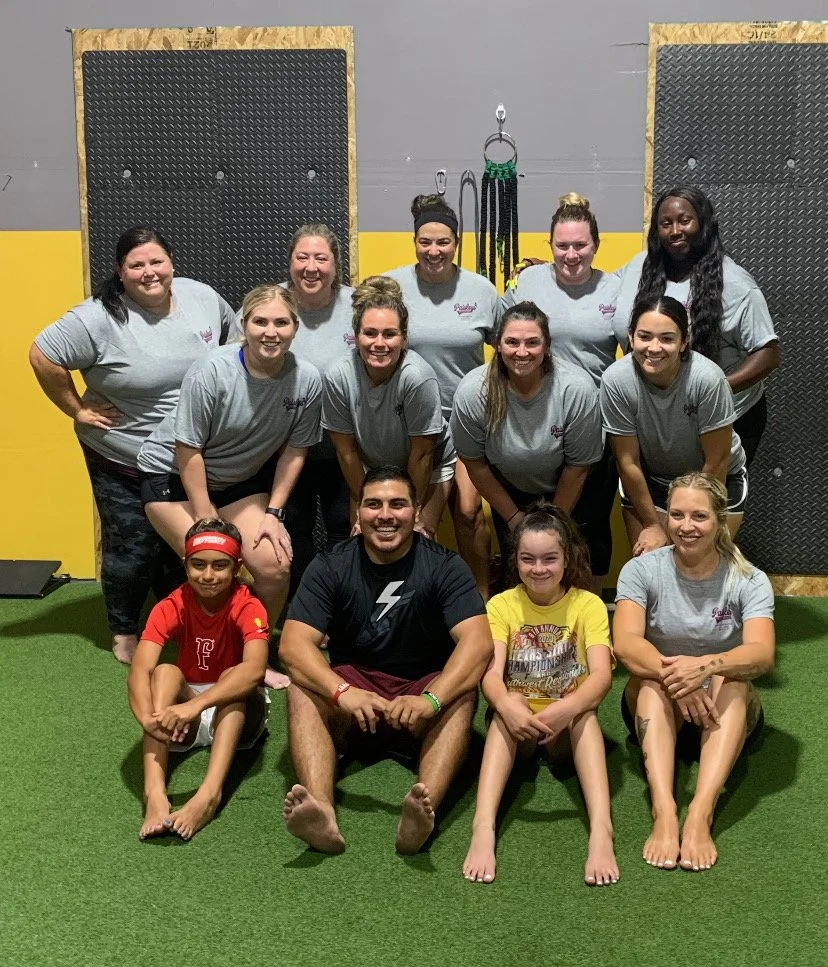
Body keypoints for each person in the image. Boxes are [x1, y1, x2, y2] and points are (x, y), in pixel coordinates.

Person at [30, 226, 235, 664]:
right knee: (133, 548)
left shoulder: (201, 297)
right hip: (121, 456)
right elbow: (42, 355)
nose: (149, 272)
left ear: (172, 263)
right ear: (120, 272)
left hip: (186, 456)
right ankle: (124, 631)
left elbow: (232, 342)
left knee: (180, 545)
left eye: (156, 261)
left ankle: (178, 619)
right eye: (136, 265)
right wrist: (77, 409)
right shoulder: (96, 318)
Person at [279, 466, 493, 855]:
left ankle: (422, 811)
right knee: (301, 689)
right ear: (358, 512)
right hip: (354, 697)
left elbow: (477, 645)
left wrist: (431, 700)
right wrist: (341, 692)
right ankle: (322, 809)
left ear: (416, 511)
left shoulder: (445, 566)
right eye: (373, 504)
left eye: (397, 504)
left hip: (420, 694)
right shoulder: (331, 565)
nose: (385, 515)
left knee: (461, 695)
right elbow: (293, 646)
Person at [137, 284, 322, 688]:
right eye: (260, 322)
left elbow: (295, 450)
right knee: (213, 559)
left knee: (274, 564)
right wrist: (207, 518)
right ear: (244, 325)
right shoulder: (212, 370)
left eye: (281, 322)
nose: (270, 332)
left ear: (295, 327)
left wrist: (273, 513)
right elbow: (188, 449)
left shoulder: (306, 380)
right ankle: (210, 655)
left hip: (237, 481)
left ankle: (251, 656)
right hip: (173, 477)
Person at [613, 472, 775, 871]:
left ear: (720, 520)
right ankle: (664, 810)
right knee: (648, 681)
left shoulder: (749, 579)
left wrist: (703, 667)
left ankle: (701, 812)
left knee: (732, 679)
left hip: (722, 711)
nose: (686, 526)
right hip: (660, 705)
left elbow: (761, 654)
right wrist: (678, 680)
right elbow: (626, 644)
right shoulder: (641, 570)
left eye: (699, 516)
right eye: (677, 515)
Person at [462, 503, 617, 887]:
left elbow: (601, 675)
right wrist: (505, 705)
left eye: (550, 559)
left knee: (585, 711)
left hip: (566, 727)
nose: (539, 569)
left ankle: (601, 829)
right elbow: (491, 674)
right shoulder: (501, 605)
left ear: (567, 559)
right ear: (515, 560)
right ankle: (483, 826)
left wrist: (567, 708)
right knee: (508, 705)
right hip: (520, 727)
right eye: (528, 559)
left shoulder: (588, 605)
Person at [502, 192, 626, 589]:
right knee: (531, 534)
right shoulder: (528, 282)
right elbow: (502, 336)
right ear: (550, 245)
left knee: (587, 530)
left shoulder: (616, 289)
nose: (571, 255)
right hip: (532, 425)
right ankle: (527, 611)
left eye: (580, 245)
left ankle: (588, 611)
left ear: (596, 245)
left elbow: (637, 354)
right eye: (562, 246)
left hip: (594, 429)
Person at [386, 194, 502, 597]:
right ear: (414, 242)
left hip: (466, 419)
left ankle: (480, 598)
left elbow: (511, 351)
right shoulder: (393, 287)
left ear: (456, 243)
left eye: (443, 242)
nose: (433, 250)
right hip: (410, 422)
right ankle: (413, 601)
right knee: (413, 516)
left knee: (468, 512)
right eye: (425, 242)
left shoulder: (481, 290)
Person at [615, 186, 779, 466]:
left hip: (724, 420)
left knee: (705, 494)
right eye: (665, 223)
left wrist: (713, 391)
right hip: (661, 419)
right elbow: (598, 285)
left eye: (685, 221)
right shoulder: (639, 267)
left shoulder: (736, 284)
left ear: (703, 224)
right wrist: (549, 270)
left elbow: (769, 354)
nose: (675, 231)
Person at [128, 518, 269, 841]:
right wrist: (147, 719)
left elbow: (254, 670)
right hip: (184, 715)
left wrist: (197, 706)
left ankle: (208, 795)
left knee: (234, 676)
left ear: (237, 567)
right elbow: (140, 669)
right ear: (185, 564)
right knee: (165, 672)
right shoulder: (170, 605)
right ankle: (154, 794)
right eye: (198, 565)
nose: (208, 576)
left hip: (235, 713)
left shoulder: (248, 605)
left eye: (220, 566)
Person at [450, 301, 603, 588]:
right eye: (512, 342)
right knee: (520, 572)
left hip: (573, 484)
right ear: (497, 344)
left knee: (572, 569)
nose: (522, 352)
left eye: (532, 342)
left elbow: (578, 468)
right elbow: (475, 464)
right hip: (509, 487)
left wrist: (553, 524)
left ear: (548, 346)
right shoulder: (473, 392)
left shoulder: (576, 388)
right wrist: (514, 519)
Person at [601, 295, 748, 556]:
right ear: (631, 337)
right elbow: (627, 461)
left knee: (696, 562)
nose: (654, 348)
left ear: (683, 342)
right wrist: (652, 525)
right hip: (652, 481)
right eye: (644, 337)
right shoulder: (616, 381)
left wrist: (682, 526)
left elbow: (717, 461)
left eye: (667, 338)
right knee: (649, 562)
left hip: (712, 478)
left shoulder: (707, 379)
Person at [322, 276, 456, 538]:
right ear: (356, 336)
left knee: (416, 537)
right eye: (370, 333)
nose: (379, 344)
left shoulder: (417, 377)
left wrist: (410, 511)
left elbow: (422, 455)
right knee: (363, 538)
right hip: (372, 467)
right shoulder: (338, 376)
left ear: (404, 339)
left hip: (428, 465)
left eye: (390, 334)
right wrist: (367, 503)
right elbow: (346, 451)